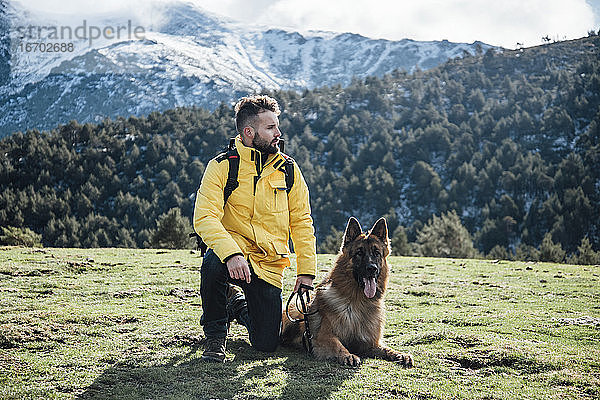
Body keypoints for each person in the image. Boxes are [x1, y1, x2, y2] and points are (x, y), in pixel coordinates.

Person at [193, 94, 317, 362]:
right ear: (249, 132)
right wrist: (231, 253)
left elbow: (302, 223)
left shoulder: (289, 171)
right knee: (213, 264)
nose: (278, 133)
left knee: (267, 344)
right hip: (233, 256)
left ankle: (235, 303)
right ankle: (215, 337)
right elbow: (205, 218)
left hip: (269, 264)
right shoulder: (221, 166)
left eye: (277, 126)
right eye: (270, 128)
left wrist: (306, 273)